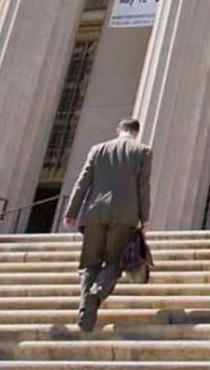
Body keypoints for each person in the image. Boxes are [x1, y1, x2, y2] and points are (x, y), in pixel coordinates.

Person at [62, 119, 151, 333]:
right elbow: (143, 186)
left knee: (88, 265)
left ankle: (85, 309)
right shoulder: (143, 151)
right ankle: (96, 294)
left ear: (118, 130)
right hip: (124, 215)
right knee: (113, 263)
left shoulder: (98, 149)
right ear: (136, 133)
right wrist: (144, 218)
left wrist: (71, 212)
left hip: (94, 212)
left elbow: (82, 182)